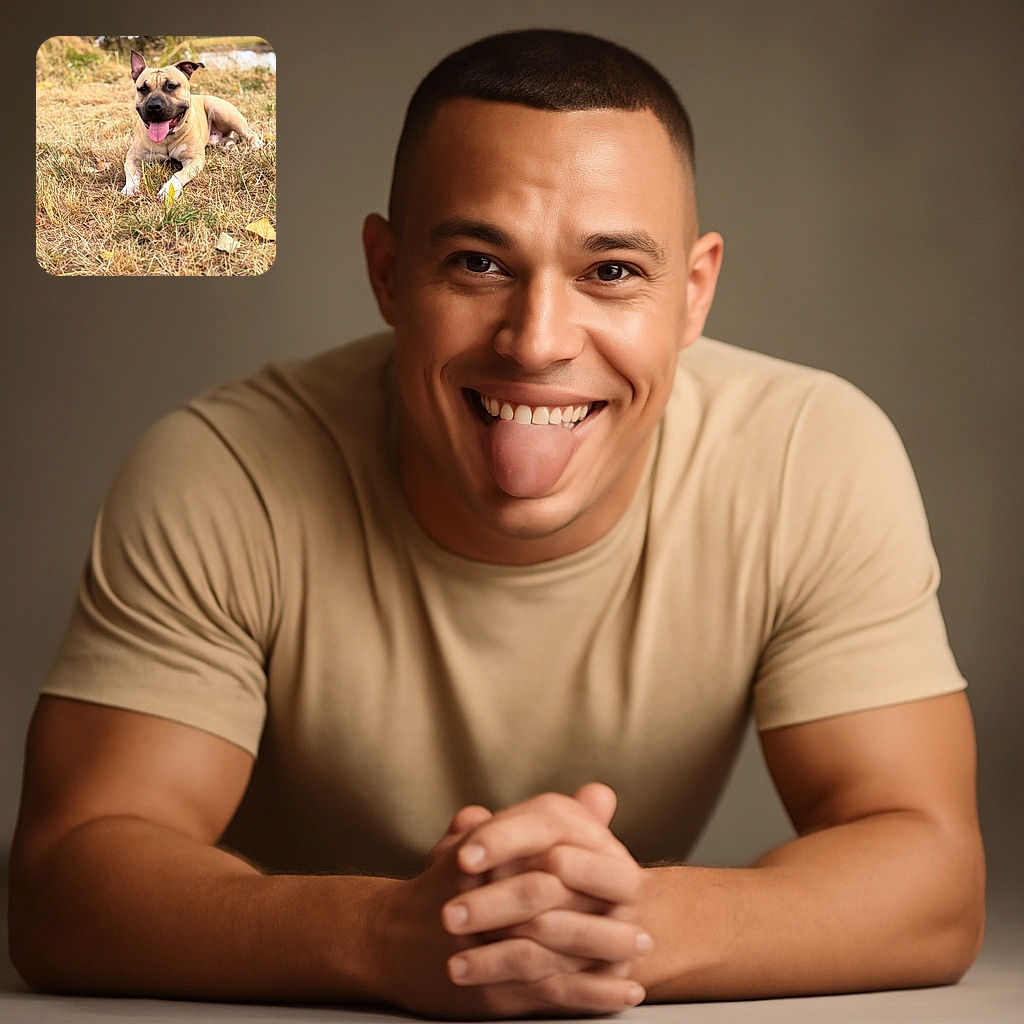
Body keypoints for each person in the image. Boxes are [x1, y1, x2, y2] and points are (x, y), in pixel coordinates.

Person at [9, 28, 984, 1021]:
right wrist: (384, 938)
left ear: (693, 293)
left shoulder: (809, 457)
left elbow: (930, 874)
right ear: (387, 272)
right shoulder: (221, 474)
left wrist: (630, 925)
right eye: (478, 262)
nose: (538, 342)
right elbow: (63, 882)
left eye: (609, 271)